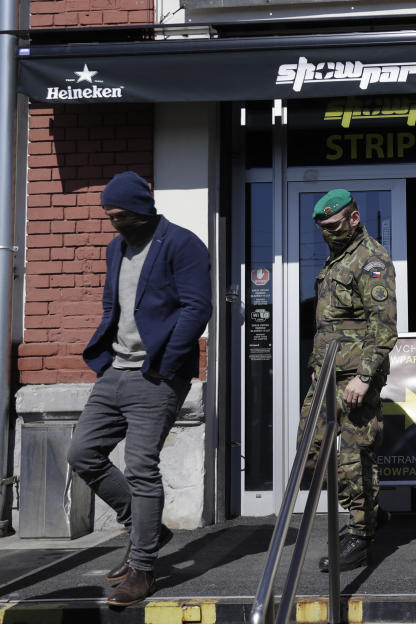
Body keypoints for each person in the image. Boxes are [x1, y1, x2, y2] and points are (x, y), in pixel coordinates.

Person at [67, 171, 212, 607]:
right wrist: (106, 356)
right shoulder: (117, 247)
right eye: (109, 215)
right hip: (115, 371)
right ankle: (147, 527)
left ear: (141, 209)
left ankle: (143, 568)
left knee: (140, 466)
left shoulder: (182, 244)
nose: (113, 221)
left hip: (157, 375)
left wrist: (166, 364)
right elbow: (115, 304)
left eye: (120, 214)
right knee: (83, 454)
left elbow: (197, 307)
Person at [299, 189, 397, 572]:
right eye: (322, 228)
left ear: (354, 219)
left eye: (334, 226)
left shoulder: (372, 260)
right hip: (324, 374)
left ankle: (361, 534)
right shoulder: (337, 258)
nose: (328, 233)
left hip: (355, 377)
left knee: (355, 456)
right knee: (310, 450)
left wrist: (363, 376)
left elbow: (384, 327)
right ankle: (370, 514)